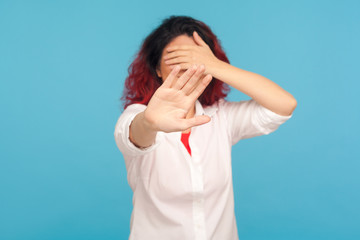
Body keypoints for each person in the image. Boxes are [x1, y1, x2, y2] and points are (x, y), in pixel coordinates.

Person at [114, 15, 297, 240]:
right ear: (157, 70)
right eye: (175, 60)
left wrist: (215, 65)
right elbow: (135, 135)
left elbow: (285, 105)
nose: (186, 69)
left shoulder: (222, 116)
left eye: (194, 60)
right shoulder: (137, 116)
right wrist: (150, 122)